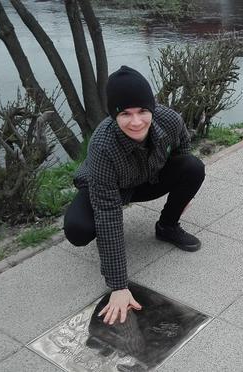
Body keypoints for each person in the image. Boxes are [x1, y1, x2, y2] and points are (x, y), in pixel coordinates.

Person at [63, 66, 205, 325]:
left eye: (142, 111)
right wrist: (119, 286)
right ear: (113, 115)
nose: (136, 121)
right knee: (78, 229)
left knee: (193, 167)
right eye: (125, 114)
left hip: (146, 178)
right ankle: (100, 242)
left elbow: (183, 151)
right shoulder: (102, 146)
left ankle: (167, 226)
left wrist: (185, 194)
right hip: (108, 186)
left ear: (152, 108)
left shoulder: (170, 119)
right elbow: (107, 213)